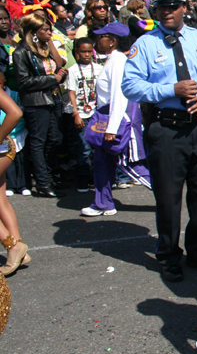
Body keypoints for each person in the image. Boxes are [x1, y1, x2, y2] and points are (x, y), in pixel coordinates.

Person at [121, 0, 197, 283]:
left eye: (172, 6)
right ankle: (169, 254)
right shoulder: (145, 44)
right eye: (160, 7)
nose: (166, 11)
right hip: (167, 129)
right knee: (168, 198)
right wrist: (170, 89)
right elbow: (130, 86)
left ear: (185, 7)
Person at [82, 23, 151, 217]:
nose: (97, 40)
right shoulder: (112, 59)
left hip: (119, 119)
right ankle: (103, 203)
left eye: (101, 36)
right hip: (107, 117)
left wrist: (112, 128)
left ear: (112, 41)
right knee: (102, 162)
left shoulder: (119, 61)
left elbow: (120, 96)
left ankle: (168, 196)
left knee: (130, 163)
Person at [14, 13, 67, 197]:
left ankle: (50, 176)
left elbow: (59, 65)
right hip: (36, 102)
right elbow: (24, 81)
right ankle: (43, 182)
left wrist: (50, 44)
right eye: (45, 30)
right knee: (39, 141)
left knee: (55, 139)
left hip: (54, 98)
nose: (49, 33)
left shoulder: (45, 49)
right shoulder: (21, 52)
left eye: (50, 29)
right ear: (33, 32)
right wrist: (52, 78)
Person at [65, 37, 101, 192]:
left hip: (96, 113)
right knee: (83, 148)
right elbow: (71, 93)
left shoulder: (99, 68)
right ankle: (83, 179)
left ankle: (96, 178)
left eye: (89, 51)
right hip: (81, 113)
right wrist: (75, 114)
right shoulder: (72, 70)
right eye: (83, 52)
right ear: (76, 52)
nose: (86, 55)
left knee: (97, 148)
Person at [0, 82, 26, 276]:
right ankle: (19, 251)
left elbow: (15, 112)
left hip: (2, 147)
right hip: (5, 147)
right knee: (1, 201)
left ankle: (12, 247)